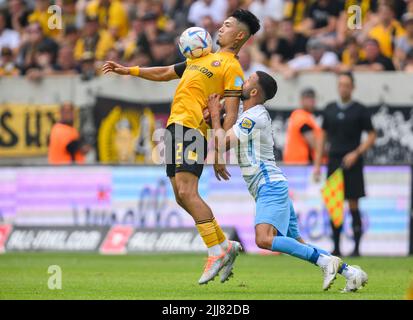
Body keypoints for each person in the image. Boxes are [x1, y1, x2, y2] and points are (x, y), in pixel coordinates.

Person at [102, 9, 261, 285]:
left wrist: (219, 150)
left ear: (239, 36)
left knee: (188, 192)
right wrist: (129, 70)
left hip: (193, 129)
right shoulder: (200, 56)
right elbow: (165, 72)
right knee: (179, 195)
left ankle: (215, 252)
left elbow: (232, 114)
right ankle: (225, 244)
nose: (220, 29)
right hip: (175, 127)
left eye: (226, 26)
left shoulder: (232, 67)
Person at [207, 71, 368, 292]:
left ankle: (326, 262)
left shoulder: (254, 116)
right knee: (297, 243)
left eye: (247, 81)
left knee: (264, 239)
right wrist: (217, 116)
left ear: (253, 91)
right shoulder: (251, 113)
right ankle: (352, 273)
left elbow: (223, 143)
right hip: (272, 185)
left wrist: (216, 116)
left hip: (269, 185)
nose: (242, 83)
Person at [313, 72, 377, 257]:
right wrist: (318, 165)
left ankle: (357, 248)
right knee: (335, 205)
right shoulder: (330, 109)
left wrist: (356, 153)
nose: (343, 88)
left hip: (353, 162)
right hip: (334, 161)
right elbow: (322, 138)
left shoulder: (360, 110)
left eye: (347, 84)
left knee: (354, 203)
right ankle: (337, 247)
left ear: (353, 87)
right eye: (340, 84)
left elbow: (372, 135)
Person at [283, 88, 323, 164]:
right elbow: (315, 145)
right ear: (301, 100)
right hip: (300, 164)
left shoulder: (303, 115)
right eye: (307, 98)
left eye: (312, 98)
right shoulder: (301, 117)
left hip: (296, 163)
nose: (311, 101)